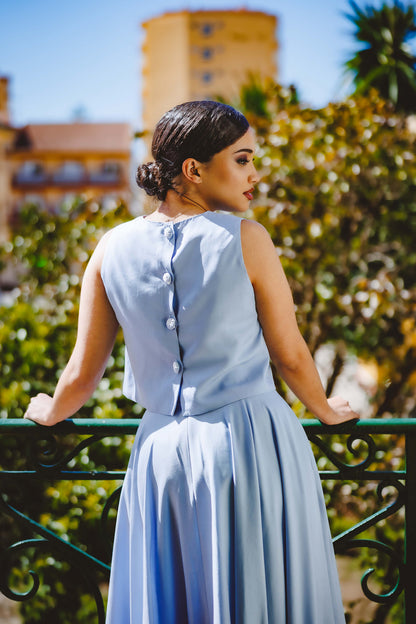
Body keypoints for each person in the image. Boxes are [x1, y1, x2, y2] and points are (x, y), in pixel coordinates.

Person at [24, 100, 359, 623]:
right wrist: (325, 410)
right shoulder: (248, 239)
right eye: (243, 159)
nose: (255, 175)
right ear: (193, 171)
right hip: (249, 445)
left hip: (159, 455)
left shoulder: (109, 249)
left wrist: (49, 411)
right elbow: (290, 356)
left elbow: (82, 373)